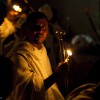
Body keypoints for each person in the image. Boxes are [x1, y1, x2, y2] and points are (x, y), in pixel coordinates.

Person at [6, 11, 68, 100]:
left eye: (44, 27)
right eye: (35, 27)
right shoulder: (19, 55)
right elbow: (28, 91)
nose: (40, 31)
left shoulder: (41, 50)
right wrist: (56, 75)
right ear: (25, 28)